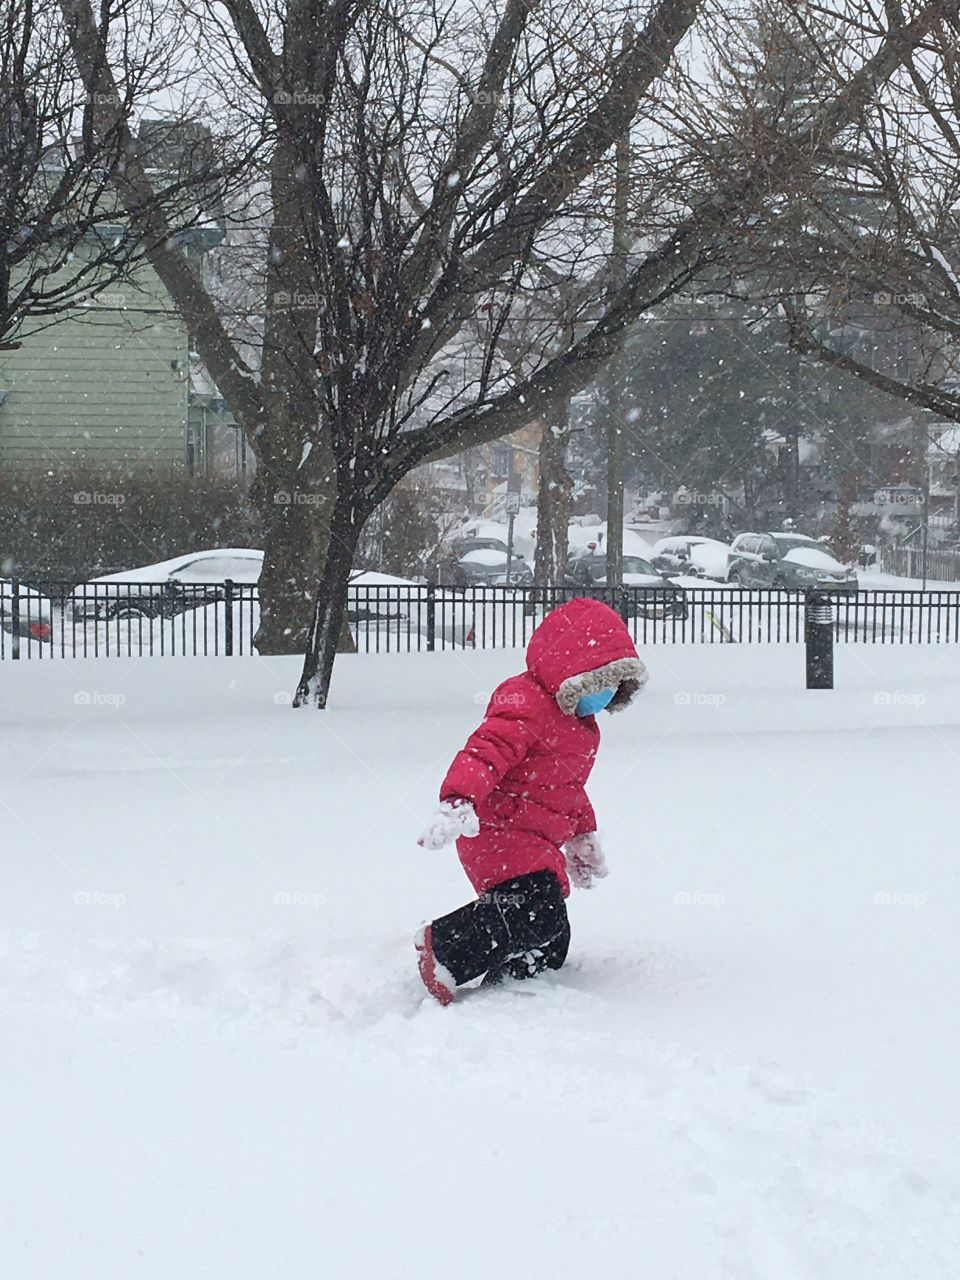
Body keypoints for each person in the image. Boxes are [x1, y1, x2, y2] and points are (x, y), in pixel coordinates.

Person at [414, 596, 648, 1004]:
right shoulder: (526, 704)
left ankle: (513, 981)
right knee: (535, 910)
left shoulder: (581, 727)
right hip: (495, 831)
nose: (605, 694)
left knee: (553, 931)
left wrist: (582, 834)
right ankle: (443, 950)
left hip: (536, 842)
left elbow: (566, 787)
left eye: (613, 685)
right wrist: (458, 799)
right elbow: (484, 752)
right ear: (573, 674)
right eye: (597, 682)